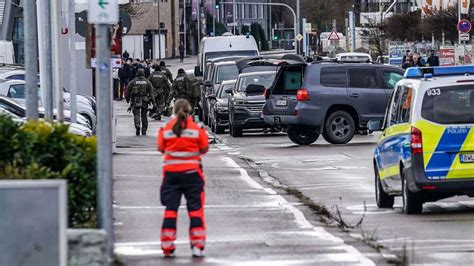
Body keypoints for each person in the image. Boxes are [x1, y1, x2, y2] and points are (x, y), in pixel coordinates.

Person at [157, 99, 209, 258]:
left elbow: (160, 148)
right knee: (195, 211)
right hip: (192, 176)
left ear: (174, 110)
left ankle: (167, 246)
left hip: (171, 176)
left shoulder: (166, 129)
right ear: (189, 111)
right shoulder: (195, 129)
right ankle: (198, 246)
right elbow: (204, 148)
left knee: (170, 211)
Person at [125, 69, 155, 136]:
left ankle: (137, 126)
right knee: (144, 115)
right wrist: (154, 102)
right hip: (145, 100)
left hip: (136, 100)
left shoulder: (133, 81)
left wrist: (127, 99)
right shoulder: (147, 81)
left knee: (136, 114)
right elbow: (151, 92)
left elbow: (127, 90)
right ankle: (144, 130)